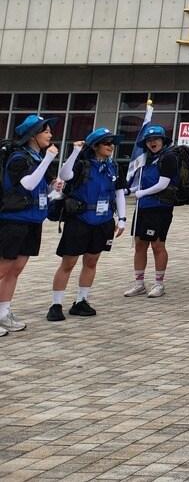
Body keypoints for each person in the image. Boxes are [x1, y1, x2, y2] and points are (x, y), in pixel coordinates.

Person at [48, 128, 127, 321]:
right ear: (95, 146)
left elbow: (119, 193)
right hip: (80, 219)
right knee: (69, 262)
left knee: (91, 261)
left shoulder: (113, 166)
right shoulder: (82, 164)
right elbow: (64, 175)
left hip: (103, 220)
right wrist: (74, 152)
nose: (111, 146)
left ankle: (81, 300)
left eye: (112, 143)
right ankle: (56, 304)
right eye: (107, 143)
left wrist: (122, 219)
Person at [0, 114, 61, 333]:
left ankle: (3, 312)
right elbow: (26, 184)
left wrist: (55, 189)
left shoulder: (36, 159)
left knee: (16, 269)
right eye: (46, 131)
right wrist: (48, 160)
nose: (50, 135)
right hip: (13, 221)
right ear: (33, 135)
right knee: (3, 268)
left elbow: (40, 191)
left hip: (33, 220)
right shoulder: (19, 158)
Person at [124, 124, 181, 300]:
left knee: (157, 245)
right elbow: (137, 182)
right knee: (140, 244)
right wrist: (128, 190)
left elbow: (163, 184)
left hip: (160, 207)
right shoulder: (145, 159)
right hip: (143, 207)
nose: (152, 142)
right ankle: (139, 284)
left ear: (163, 140)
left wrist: (142, 193)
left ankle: (159, 283)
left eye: (156, 139)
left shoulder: (169, 157)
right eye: (149, 140)